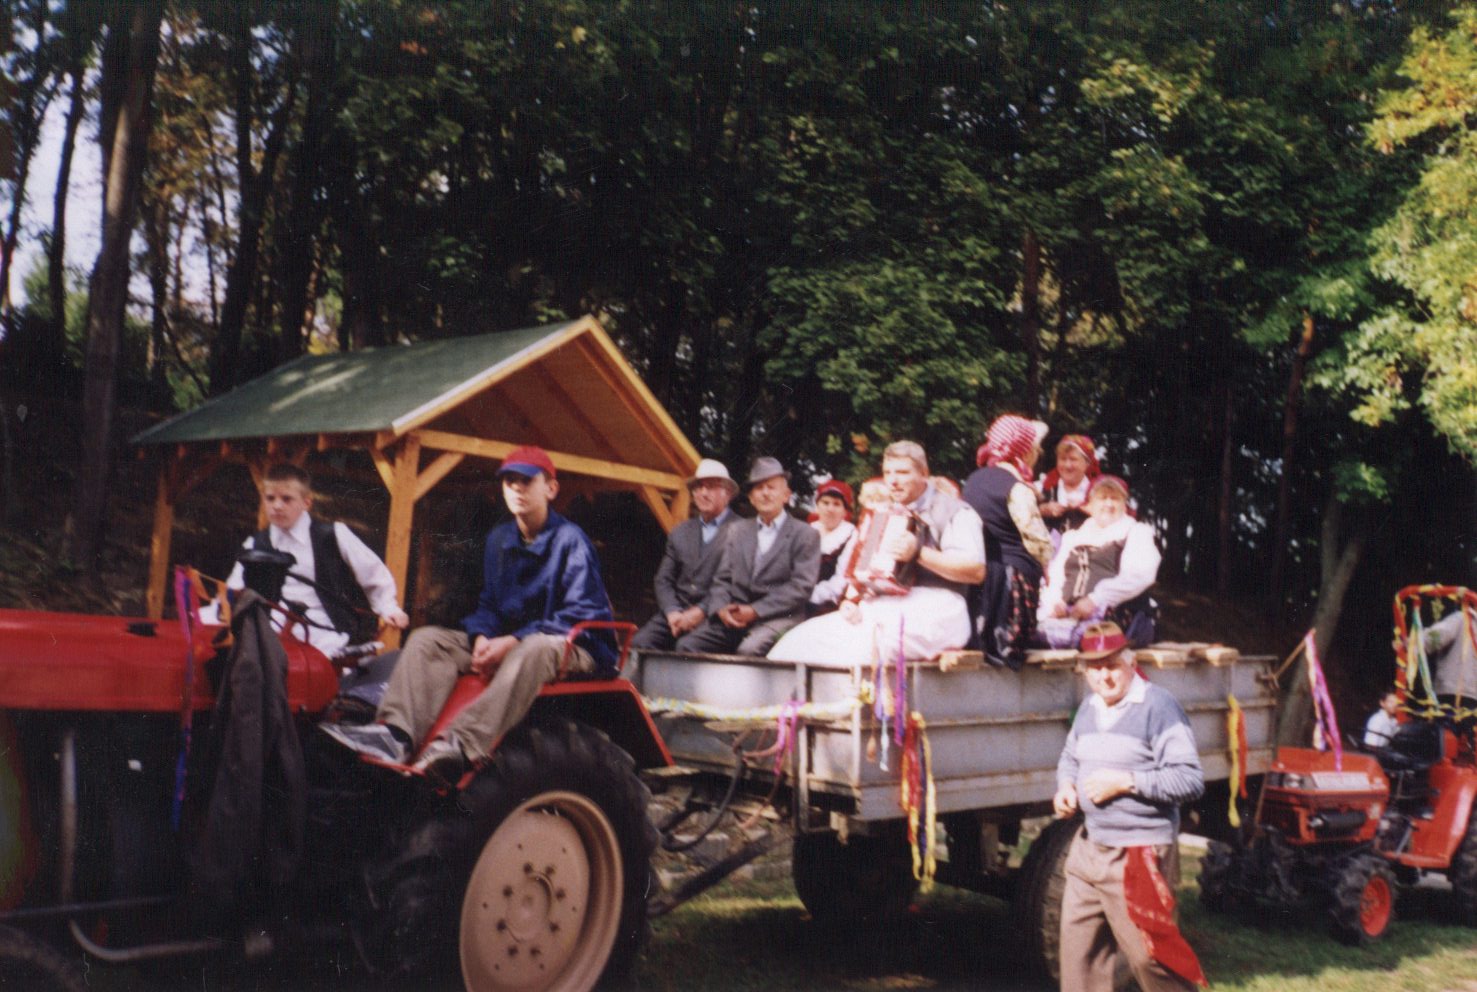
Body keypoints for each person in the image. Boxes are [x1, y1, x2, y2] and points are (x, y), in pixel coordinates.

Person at [321, 446, 618, 781]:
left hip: (574, 645)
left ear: (550, 488)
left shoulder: (571, 541)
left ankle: (460, 744)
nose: (517, 488)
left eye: (527, 481)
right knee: (428, 640)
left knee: (535, 647)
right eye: (509, 481)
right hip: (514, 643)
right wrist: (482, 637)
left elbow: (580, 613)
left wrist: (513, 641)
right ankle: (396, 735)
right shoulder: (499, 539)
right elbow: (489, 603)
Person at [1053, 622, 1207, 992]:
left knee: (1153, 959)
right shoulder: (1089, 707)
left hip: (1138, 854)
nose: (1103, 677)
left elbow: (1189, 779)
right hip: (1088, 849)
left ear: (1131, 662)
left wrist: (1127, 781)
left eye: (1111, 666)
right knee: (1078, 962)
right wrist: (1066, 786)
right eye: (1094, 668)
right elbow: (1070, 757)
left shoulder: (1159, 706)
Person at [770, 441, 985, 664]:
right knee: (798, 640)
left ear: (924, 473)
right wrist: (853, 598)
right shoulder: (884, 512)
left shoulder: (955, 511)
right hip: (885, 606)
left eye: (902, 472)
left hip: (939, 608)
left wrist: (919, 553)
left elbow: (976, 571)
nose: (893, 480)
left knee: (862, 648)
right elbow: (865, 573)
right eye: (887, 472)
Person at [226, 463, 408, 657]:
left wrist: (388, 607)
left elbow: (372, 572)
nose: (277, 506)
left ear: (307, 502)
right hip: (270, 627)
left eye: (286, 499)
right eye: (270, 498)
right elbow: (234, 588)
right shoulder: (255, 543)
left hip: (323, 629)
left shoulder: (333, 534)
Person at [676, 457, 821, 656]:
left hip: (779, 618)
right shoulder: (738, 531)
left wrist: (755, 611)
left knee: (749, 650)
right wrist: (721, 609)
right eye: (759, 488)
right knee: (688, 645)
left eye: (771, 487)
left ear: (786, 495)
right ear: (751, 498)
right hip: (736, 617)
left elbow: (801, 587)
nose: (765, 493)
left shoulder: (805, 534)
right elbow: (722, 579)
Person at [963, 414, 1053, 670]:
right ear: (1025, 452)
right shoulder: (1017, 488)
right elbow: (1037, 541)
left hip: (982, 580)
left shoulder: (973, 481)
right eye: (1036, 449)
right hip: (1012, 582)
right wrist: (1046, 563)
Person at [1038, 475, 1161, 649]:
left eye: (1115, 498)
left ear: (1124, 505)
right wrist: (1056, 602)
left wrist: (1095, 600)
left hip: (1117, 613)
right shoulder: (1073, 537)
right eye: (1102, 498)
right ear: (1090, 505)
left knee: (1086, 640)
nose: (1108, 504)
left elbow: (1140, 575)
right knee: (1035, 634)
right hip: (1070, 614)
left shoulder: (1135, 532)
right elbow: (1056, 575)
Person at [631, 458, 741, 651]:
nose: (703, 493)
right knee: (639, 644)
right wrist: (672, 612)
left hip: (716, 615)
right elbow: (663, 580)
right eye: (698, 487)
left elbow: (736, 584)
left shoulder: (743, 531)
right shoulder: (680, 532)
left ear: (728, 493)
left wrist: (701, 611)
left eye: (711, 487)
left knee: (686, 648)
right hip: (676, 613)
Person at [807, 478, 857, 614]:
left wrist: (810, 596)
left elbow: (841, 579)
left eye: (836, 504)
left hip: (826, 603)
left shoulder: (850, 535)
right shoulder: (808, 530)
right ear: (817, 506)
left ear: (845, 511)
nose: (830, 509)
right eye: (825, 503)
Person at [1037, 433, 1101, 538]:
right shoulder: (1042, 487)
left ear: (1087, 463)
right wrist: (1041, 510)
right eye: (1063, 459)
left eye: (1073, 459)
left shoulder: (1098, 492)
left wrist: (1091, 510)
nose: (1067, 465)